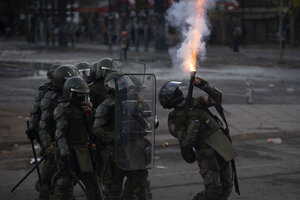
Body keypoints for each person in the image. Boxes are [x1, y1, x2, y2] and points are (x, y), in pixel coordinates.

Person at [158, 77, 236, 200]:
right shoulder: (175, 119)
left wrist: (203, 85)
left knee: (227, 187)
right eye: (176, 91)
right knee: (213, 191)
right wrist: (192, 126)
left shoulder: (196, 102)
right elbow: (185, 143)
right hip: (207, 153)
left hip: (221, 146)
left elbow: (217, 98)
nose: (179, 92)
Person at [93, 72, 154, 200]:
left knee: (141, 186)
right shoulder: (106, 106)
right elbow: (97, 129)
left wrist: (148, 121)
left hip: (136, 149)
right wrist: (115, 136)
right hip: (115, 152)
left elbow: (148, 118)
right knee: (112, 189)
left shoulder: (137, 102)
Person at [51, 76, 102, 200]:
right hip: (69, 150)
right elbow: (60, 133)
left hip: (84, 150)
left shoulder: (86, 108)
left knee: (93, 185)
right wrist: (64, 153)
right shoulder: (63, 109)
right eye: (79, 93)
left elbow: (93, 129)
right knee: (64, 185)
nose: (82, 96)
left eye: (84, 94)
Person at [38, 65, 78, 199]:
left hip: (67, 137)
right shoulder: (50, 97)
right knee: (51, 163)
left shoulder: (73, 95)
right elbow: (43, 124)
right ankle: (44, 186)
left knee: (67, 172)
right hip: (53, 138)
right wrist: (46, 144)